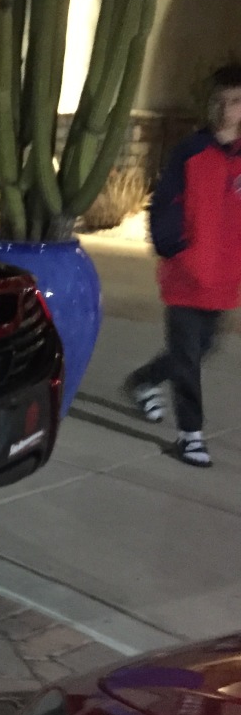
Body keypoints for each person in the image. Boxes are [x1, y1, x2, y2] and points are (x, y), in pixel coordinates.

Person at [124, 64, 241, 467]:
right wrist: (176, 250)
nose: (227, 110)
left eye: (236, 102)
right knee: (188, 356)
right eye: (221, 101)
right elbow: (163, 206)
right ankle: (190, 434)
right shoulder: (190, 152)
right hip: (186, 275)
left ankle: (144, 381)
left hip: (225, 278)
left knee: (201, 348)